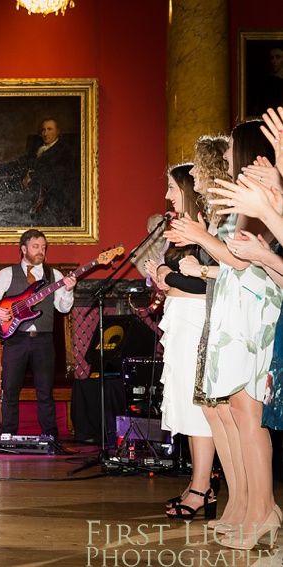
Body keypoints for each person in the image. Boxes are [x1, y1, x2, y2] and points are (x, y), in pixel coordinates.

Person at [167, 120, 281, 550]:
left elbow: (242, 258)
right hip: (232, 307)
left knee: (248, 417)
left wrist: (199, 237)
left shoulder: (256, 198)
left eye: (232, 148)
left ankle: (261, 509)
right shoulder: (239, 199)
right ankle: (244, 506)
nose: (227, 155)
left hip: (253, 309)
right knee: (232, 412)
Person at [144, 164, 217, 520]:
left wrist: (167, 275)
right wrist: (163, 274)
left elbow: (206, 282)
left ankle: (203, 487)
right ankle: (197, 481)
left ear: (188, 188)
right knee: (187, 407)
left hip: (196, 320)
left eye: (173, 188)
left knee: (198, 408)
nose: (169, 195)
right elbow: (174, 277)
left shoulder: (206, 225)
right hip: (181, 319)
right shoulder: (182, 228)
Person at [0, 229, 76, 440]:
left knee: (45, 392)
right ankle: (7, 435)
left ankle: (50, 436)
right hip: (16, 339)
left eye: (43, 247)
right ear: (23, 249)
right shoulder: (7, 273)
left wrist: (68, 291)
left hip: (43, 340)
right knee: (10, 391)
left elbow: (62, 308)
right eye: (36, 246)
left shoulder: (55, 276)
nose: (41, 251)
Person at [0, 118, 74, 217]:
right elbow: (20, 163)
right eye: (43, 130)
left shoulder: (64, 151)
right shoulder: (37, 148)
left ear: (58, 131)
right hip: (24, 184)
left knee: (12, 205)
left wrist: (32, 177)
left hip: (45, 191)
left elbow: (56, 175)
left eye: (49, 129)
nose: (45, 133)